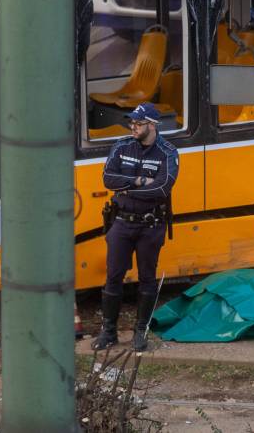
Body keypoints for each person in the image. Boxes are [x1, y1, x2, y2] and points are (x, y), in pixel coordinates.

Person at [96, 102, 180, 351]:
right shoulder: (121, 146)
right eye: (132, 122)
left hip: (150, 225)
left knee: (147, 278)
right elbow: (108, 179)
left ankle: (140, 331)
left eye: (139, 123)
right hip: (121, 222)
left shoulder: (168, 152)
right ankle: (108, 331)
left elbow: (163, 187)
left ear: (152, 125)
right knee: (113, 276)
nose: (133, 126)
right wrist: (139, 180)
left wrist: (128, 186)